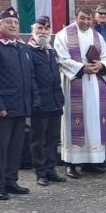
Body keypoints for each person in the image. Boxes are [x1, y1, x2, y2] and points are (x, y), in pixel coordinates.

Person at [0, 6, 39, 200]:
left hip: (20, 106)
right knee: (1, 147)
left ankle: (11, 180)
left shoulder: (22, 47)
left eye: (15, 22)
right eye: (8, 22)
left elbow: (30, 76)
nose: (13, 25)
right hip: (2, 108)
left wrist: (33, 100)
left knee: (16, 146)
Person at [54, 7, 106, 177]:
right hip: (74, 84)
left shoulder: (97, 36)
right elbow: (61, 59)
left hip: (94, 85)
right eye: (82, 18)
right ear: (76, 17)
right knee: (74, 123)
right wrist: (82, 68)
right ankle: (71, 163)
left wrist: (100, 66)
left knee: (94, 122)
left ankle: (92, 161)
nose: (86, 22)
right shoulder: (64, 35)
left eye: (88, 19)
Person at [27, 16, 66, 186]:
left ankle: (51, 169)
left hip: (55, 101)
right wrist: (36, 100)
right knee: (39, 140)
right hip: (39, 103)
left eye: (46, 29)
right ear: (33, 31)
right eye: (39, 29)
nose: (43, 32)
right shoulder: (27, 51)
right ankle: (40, 172)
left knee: (52, 138)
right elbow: (30, 78)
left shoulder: (51, 51)